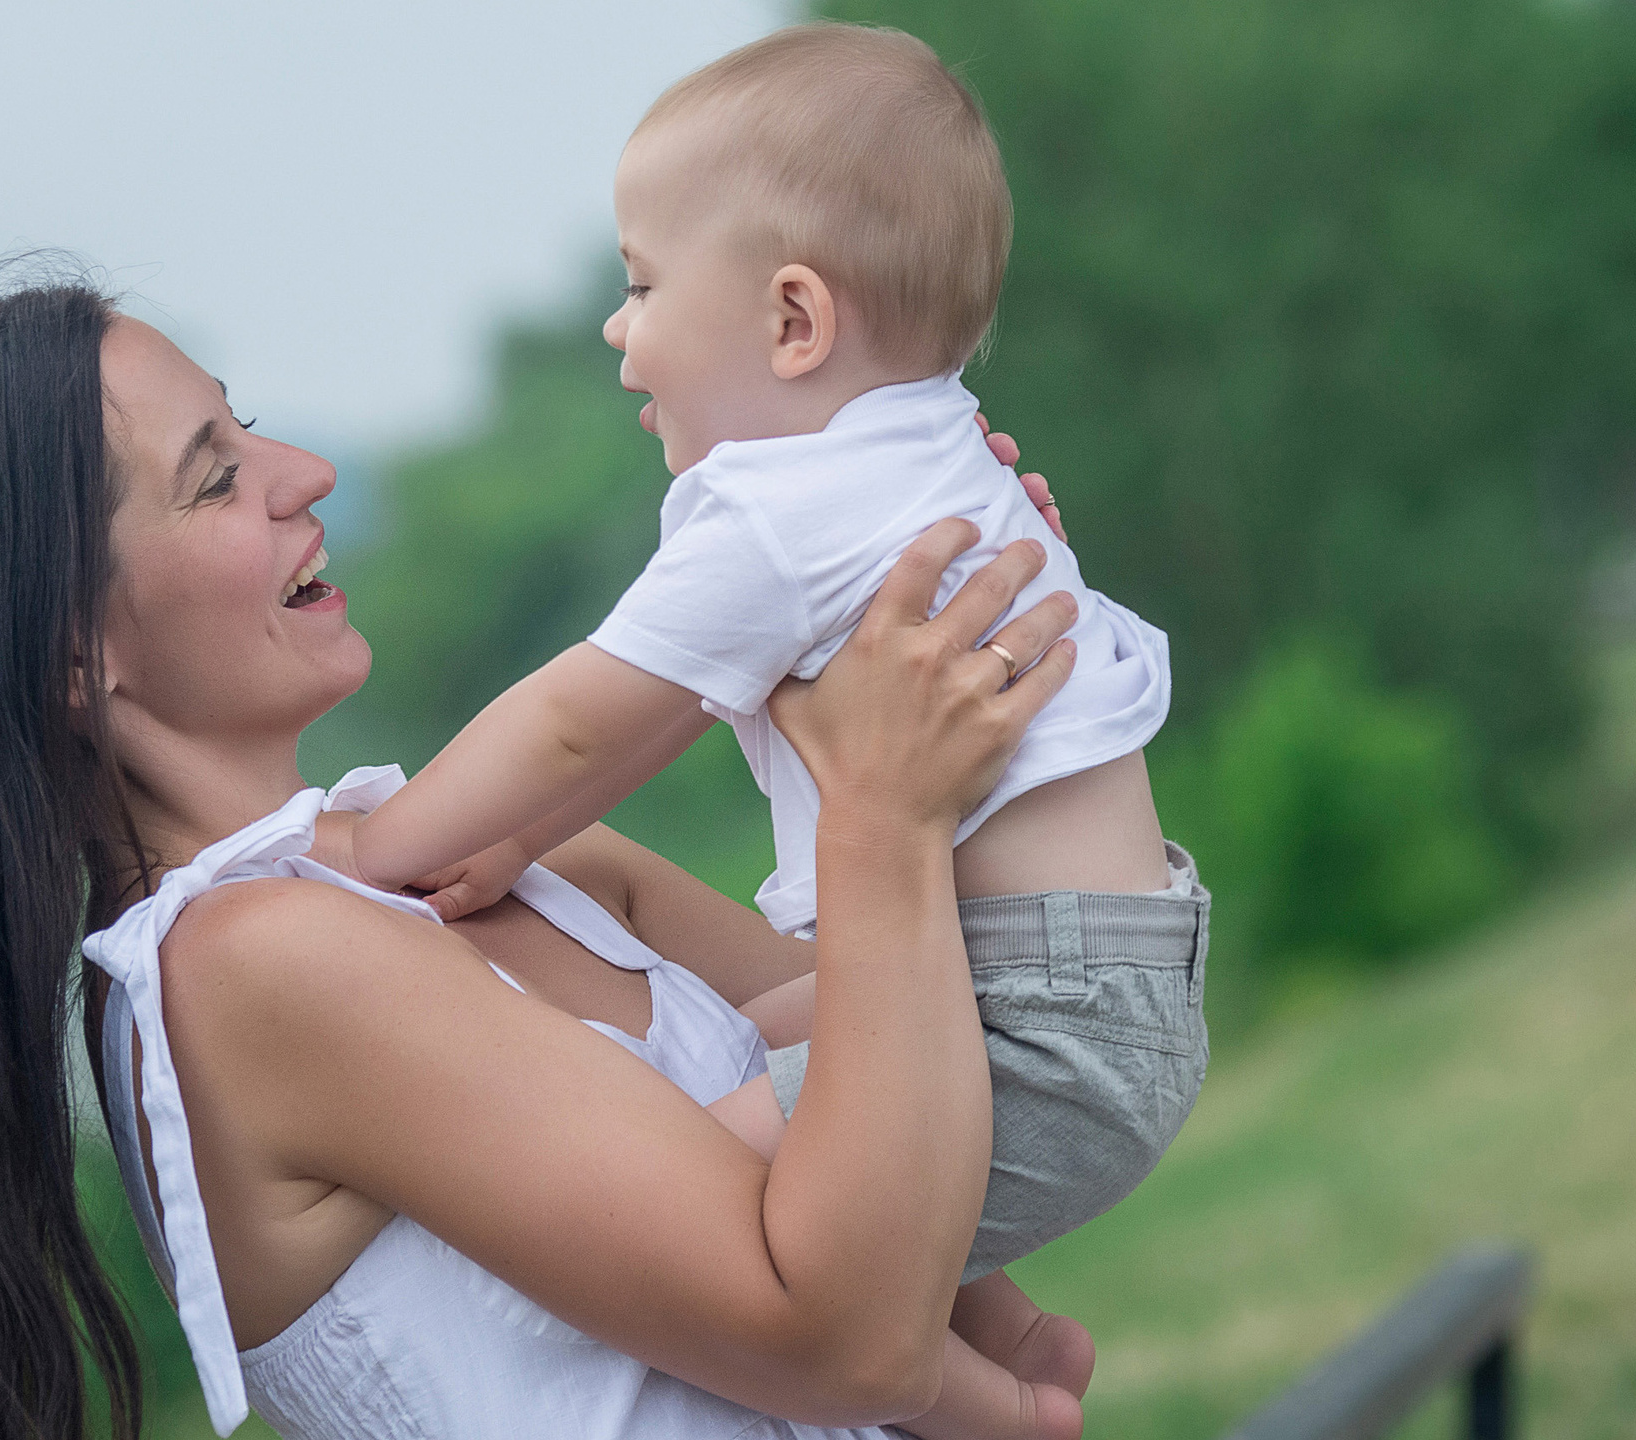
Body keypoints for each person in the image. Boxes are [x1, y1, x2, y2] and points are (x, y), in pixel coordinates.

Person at [0, 275, 1096, 1440]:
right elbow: (843, 1335)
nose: (306, 477)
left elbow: (948, 1093)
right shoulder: (251, 968)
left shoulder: (497, 861)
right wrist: (880, 816)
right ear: (77, 655)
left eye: (250, 431)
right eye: (215, 480)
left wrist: (951, 633)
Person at [325, 26, 1209, 1438]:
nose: (620, 331)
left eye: (643, 285)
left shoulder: (778, 512)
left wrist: (384, 846)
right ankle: (1020, 1338)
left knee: (718, 1207)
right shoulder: (930, 449)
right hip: (1095, 974)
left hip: (1037, 1019)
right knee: (737, 1047)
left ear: (793, 322)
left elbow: (577, 720)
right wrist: (504, 848)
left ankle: (989, 1409)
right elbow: (630, 740)